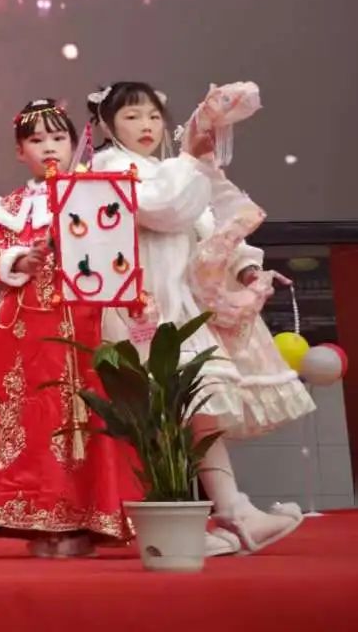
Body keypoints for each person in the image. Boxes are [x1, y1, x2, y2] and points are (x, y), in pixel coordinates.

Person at [89, 80, 307, 553]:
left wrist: (246, 266)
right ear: (108, 125)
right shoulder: (110, 168)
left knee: (199, 410)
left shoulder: (170, 168)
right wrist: (190, 159)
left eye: (152, 115)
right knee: (165, 417)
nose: (146, 125)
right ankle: (183, 522)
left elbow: (206, 223)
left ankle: (232, 512)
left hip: (181, 309)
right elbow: (165, 210)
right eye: (131, 116)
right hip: (144, 309)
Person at [0, 99, 138, 559]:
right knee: (7, 419)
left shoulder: (91, 194)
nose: (49, 147)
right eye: (36, 140)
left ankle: (70, 523)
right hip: (22, 330)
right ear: (20, 152)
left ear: (74, 143)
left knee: (81, 419)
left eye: (58, 138)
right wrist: (20, 259)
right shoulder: (13, 207)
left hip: (83, 327)